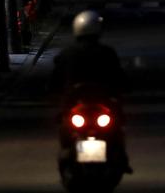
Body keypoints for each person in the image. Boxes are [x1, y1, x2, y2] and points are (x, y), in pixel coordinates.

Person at [50, 10, 132, 173]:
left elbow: (54, 82)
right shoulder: (106, 53)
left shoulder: (67, 54)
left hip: (84, 106)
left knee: (66, 127)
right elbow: (120, 78)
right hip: (93, 106)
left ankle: (118, 158)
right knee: (116, 127)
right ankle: (120, 159)